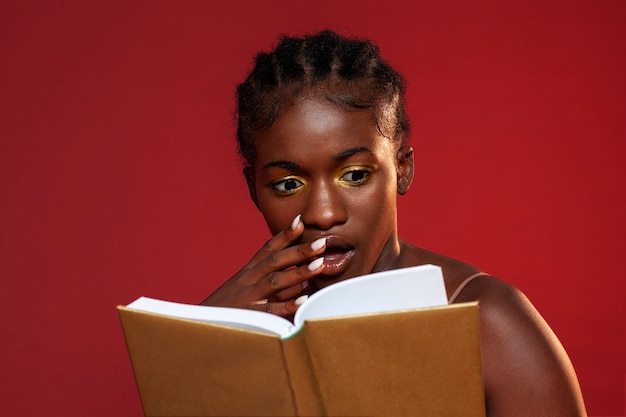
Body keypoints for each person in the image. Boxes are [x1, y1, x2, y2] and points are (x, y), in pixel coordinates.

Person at [201, 30, 587, 416]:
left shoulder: (486, 322)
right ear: (255, 191)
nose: (322, 213)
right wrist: (198, 338)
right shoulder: (236, 331)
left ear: (402, 169)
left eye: (354, 175)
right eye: (288, 184)